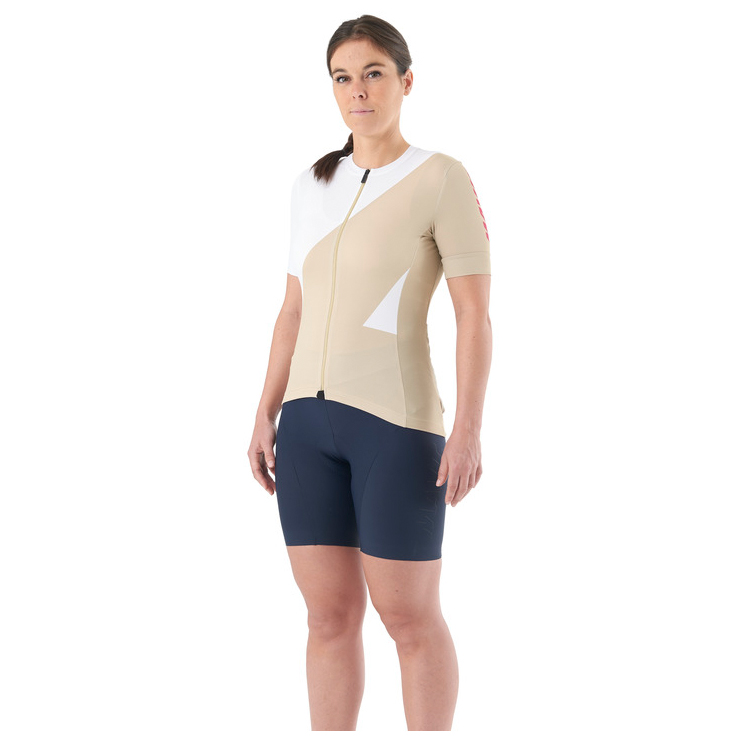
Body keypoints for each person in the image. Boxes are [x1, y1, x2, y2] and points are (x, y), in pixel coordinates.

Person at [248, 14, 492, 732]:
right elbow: (291, 310)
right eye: (343, 77)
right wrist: (264, 412)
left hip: (396, 426)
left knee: (409, 618)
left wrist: (469, 428)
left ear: (406, 82)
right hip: (305, 430)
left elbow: (474, 315)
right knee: (326, 618)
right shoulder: (311, 185)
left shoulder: (442, 178)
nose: (358, 90)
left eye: (374, 74)